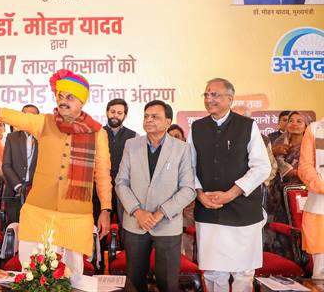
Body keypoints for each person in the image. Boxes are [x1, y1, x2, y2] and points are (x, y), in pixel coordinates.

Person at [0, 69, 112, 275]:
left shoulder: (97, 133)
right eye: (60, 96)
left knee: (71, 273)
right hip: (39, 211)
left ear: (82, 101)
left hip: (76, 214)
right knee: (33, 271)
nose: (63, 101)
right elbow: (22, 119)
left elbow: (102, 173)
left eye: (70, 97)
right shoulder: (45, 122)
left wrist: (106, 209)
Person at [189, 78, 271, 292]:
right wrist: (199, 193)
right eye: (206, 94)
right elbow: (189, 166)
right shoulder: (197, 127)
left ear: (230, 99)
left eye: (214, 95)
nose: (209, 99)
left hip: (243, 209)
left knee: (243, 273)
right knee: (213, 272)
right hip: (208, 208)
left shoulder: (247, 126)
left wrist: (232, 193)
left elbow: (262, 167)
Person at [115, 100, 195, 292]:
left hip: (167, 224)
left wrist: (160, 213)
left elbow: (188, 189)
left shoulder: (181, 148)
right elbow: (121, 182)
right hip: (136, 223)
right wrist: (138, 212)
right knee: (134, 282)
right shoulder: (131, 145)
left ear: (168, 121)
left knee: (168, 283)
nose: (149, 120)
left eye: (155, 116)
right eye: (146, 116)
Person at [93, 98, 137, 272]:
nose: (115, 115)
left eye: (119, 113)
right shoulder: (97, 133)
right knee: (98, 229)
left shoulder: (134, 137)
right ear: (107, 112)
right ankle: (98, 266)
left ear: (125, 115)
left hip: (123, 191)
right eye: (112, 112)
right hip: (99, 191)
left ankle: (124, 268)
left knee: (126, 231)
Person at [266, 111, 310, 256]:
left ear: (306, 126)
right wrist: (272, 152)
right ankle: (280, 261)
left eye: (299, 121)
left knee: (299, 228)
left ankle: (301, 261)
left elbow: (314, 170)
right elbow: (265, 166)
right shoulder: (277, 144)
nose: (294, 124)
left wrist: (296, 172)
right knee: (278, 229)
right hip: (277, 197)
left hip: (300, 195)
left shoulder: (311, 146)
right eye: (291, 121)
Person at [2, 104, 40, 224]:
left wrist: (33, 188)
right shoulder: (11, 137)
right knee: (15, 228)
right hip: (14, 194)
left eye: (32, 116)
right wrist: (18, 186)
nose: (28, 119)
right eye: (25, 115)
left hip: (37, 194)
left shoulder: (44, 139)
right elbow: (6, 165)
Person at [298, 116, 324, 279]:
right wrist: (321, 186)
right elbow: (305, 167)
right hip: (320, 208)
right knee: (321, 272)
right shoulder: (315, 129)